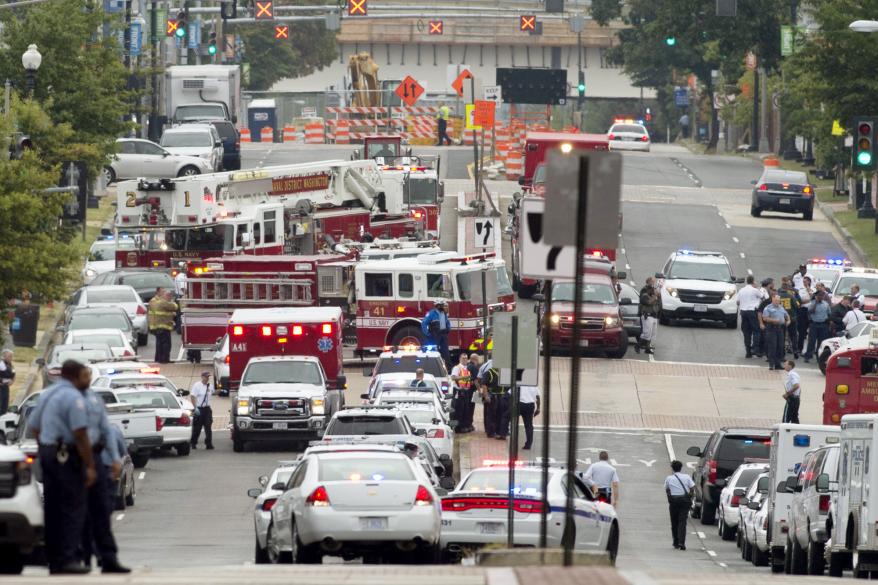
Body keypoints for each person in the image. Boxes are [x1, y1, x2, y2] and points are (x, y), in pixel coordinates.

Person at [28, 360, 97, 574]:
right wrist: (90, 465)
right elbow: (80, 434)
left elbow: (34, 426)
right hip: (66, 455)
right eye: (86, 376)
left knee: (52, 508)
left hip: (48, 453)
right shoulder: (74, 397)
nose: (88, 380)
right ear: (75, 376)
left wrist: (45, 448)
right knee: (72, 507)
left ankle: (54, 559)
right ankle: (68, 558)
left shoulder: (47, 394)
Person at [80, 382, 129, 573]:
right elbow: (123, 451)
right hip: (106, 475)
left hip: (94, 473)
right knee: (102, 516)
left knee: (87, 517)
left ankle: (90, 556)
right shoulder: (112, 430)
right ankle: (101, 555)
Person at [665, 460, 695, 550]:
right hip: (684, 501)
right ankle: (682, 542)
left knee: (674, 522)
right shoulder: (686, 477)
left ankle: (675, 542)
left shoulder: (669, 478)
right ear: (681, 468)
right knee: (682, 522)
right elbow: (692, 487)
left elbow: (667, 489)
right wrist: (690, 495)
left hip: (674, 501)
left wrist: (670, 497)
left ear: (672, 468)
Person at [478, 357, 507, 440]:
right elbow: (484, 385)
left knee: (500, 414)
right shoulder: (489, 373)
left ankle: (498, 431)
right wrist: (486, 396)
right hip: (492, 396)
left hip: (501, 396)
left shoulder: (502, 372)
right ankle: (490, 432)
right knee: (491, 415)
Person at [148, 289, 177, 364]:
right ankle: (164, 360)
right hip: (163, 326)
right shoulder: (163, 302)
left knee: (159, 344)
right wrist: (172, 302)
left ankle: (158, 359)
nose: (169, 297)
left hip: (157, 326)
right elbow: (174, 307)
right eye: (163, 292)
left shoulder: (154, 301)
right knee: (166, 344)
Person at [738, 275, 763, 358]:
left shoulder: (741, 290)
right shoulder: (755, 290)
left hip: (743, 312)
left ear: (746, 281)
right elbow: (763, 297)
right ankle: (754, 348)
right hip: (752, 311)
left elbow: (737, 302)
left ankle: (748, 352)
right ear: (753, 281)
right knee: (756, 331)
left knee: (746, 332)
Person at [762, 294, 790, 370]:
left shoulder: (781, 307)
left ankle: (778, 364)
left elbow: (786, 315)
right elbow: (765, 318)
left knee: (780, 346)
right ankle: (771, 364)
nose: (777, 302)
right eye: (776, 300)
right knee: (772, 347)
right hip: (771, 328)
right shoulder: (768, 308)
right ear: (772, 299)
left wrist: (788, 320)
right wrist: (774, 320)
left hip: (780, 328)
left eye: (778, 300)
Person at [804, 290, 832, 363]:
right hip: (814, 324)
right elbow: (810, 312)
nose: (820, 297)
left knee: (821, 342)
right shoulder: (812, 303)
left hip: (823, 325)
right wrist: (816, 303)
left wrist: (828, 322)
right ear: (816, 296)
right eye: (819, 296)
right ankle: (808, 356)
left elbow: (829, 313)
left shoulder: (826, 304)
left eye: (822, 296)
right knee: (811, 341)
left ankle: (819, 357)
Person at [421, 300, 451, 366]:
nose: (443, 306)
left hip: (443, 335)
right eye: (442, 305)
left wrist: (448, 329)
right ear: (437, 306)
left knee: (445, 353)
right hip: (435, 336)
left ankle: (448, 368)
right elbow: (424, 323)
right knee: (434, 351)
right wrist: (427, 334)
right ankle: (432, 366)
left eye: (443, 305)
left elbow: (447, 323)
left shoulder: (444, 314)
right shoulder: (431, 313)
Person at [190, 371, 215, 450]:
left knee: (208, 426)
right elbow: (193, 396)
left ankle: (208, 443)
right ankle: (193, 442)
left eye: (208, 377)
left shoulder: (210, 386)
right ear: (202, 377)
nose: (207, 378)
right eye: (206, 377)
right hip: (199, 409)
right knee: (197, 427)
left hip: (207, 409)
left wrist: (222, 391)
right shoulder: (197, 385)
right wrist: (195, 407)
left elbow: (213, 392)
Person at [636, 276, 660, 354]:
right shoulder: (644, 290)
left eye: (654, 282)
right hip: (647, 314)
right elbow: (647, 302)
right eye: (652, 282)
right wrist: (655, 297)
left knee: (653, 333)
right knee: (646, 333)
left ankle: (647, 348)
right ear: (648, 282)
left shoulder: (654, 291)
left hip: (654, 314)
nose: (653, 283)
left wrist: (658, 295)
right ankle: (638, 345)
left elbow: (658, 302)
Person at [778, 278, 801, 358]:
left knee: (782, 336)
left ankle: (782, 353)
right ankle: (795, 351)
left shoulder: (777, 296)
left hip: (781, 319)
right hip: (792, 318)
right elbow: (798, 305)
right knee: (793, 335)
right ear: (787, 287)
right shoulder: (791, 296)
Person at [451, 354, 474, 433]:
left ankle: (464, 426)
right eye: (463, 358)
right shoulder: (457, 368)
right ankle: (458, 428)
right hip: (459, 391)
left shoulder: (467, 368)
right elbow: (453, 377)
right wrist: (464, 378)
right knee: (458, 410)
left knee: (465, 410)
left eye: (466, 358)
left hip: (466, 391)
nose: (465, 360)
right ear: (460, 359)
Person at [516, 385, 540, 450]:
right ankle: (528, 444)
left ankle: (504, 433)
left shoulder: (520, 383)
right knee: (529, 425)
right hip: (530, 405)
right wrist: (538, 408)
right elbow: (537, 397)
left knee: (511, 420)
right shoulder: (534, 385)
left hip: (519, 404)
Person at [796, 276, 814, 355]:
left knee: (811, 332)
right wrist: (809, 299)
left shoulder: (813, 289)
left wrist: (808, 290)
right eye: (803, 281)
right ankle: (800, 349)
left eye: (806, 281)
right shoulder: (800, 290)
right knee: (801, 331)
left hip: (811, 311)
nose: (804, 283)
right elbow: (800, 301)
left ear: (809, 282)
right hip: (802, 311)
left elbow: (813, 297)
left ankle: (810, 350)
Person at [782, 359, 801, 424]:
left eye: (785, 364)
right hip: (796, 399)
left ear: (790, 366)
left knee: (785, 419)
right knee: (794, 418)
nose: (784, 366)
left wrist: (787, 394)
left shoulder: (791, 374)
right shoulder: (795, 374)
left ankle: (783, 433)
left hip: (792, 399)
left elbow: (796, 386)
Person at [0, 349, 14, 415]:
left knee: (5, 406)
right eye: (9, 356)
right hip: (1, 388)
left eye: (11, 356)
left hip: (6, 388)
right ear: (4, 356)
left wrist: (12, 381)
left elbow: (13, 375)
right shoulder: (1, 364)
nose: (11, 358)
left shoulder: (11, 365)